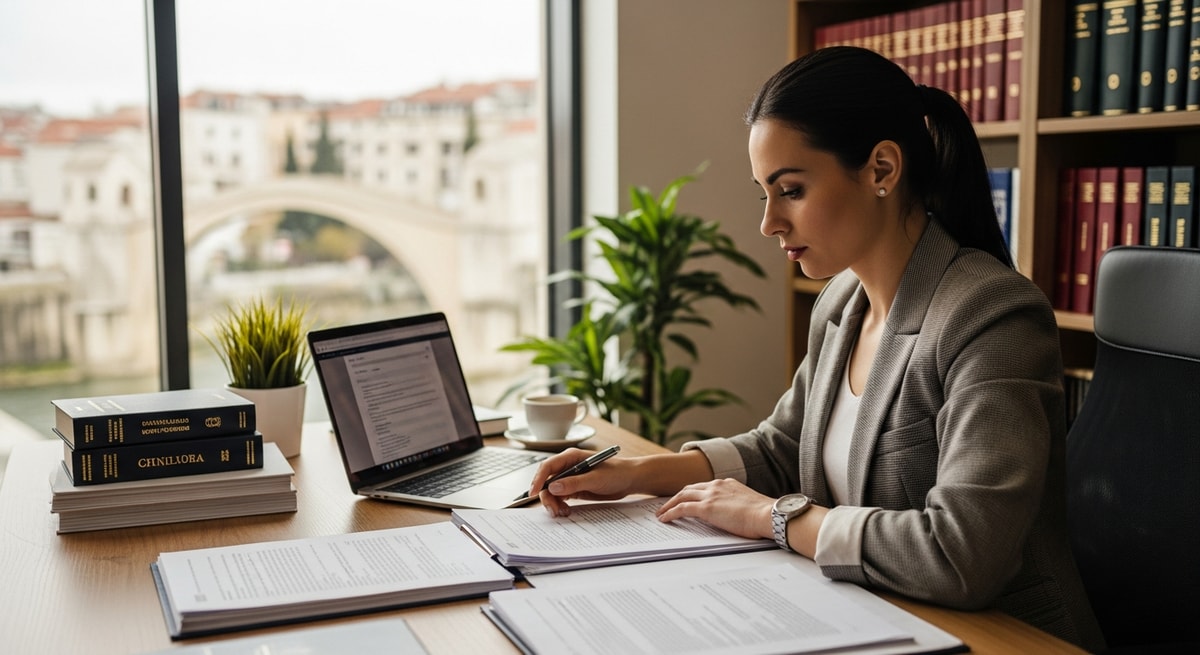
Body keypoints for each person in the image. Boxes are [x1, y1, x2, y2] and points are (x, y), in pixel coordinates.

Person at [527, 46, 1105, 651]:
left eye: (791, 190)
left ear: (882, 169)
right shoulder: (842, 301)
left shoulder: (992, 318)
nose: (769, 222)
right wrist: (640, 474)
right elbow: (783, 445)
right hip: (870, 613)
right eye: (764, 194)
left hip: (998, 637)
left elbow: (962, 554)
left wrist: (774, 517)